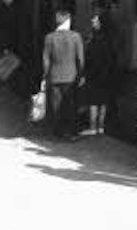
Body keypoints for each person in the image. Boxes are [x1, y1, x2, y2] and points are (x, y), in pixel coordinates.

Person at [40, 10, 84, 141]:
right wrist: (81, 74)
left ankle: (57, 133)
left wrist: (45, 76)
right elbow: (80, 58)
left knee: (55, 105)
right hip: (71, 76)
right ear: (68, 21)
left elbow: (46, 59)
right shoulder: (76, 37)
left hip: (54, 76)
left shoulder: (49, 37)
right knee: (71, 105)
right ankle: (71, 132)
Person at [82, 12, 119, 136]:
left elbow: (89, 57)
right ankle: (101, 126)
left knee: (93, 101)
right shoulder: (110, 40)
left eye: (95, 20)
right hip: (107, 75)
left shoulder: (94, 40)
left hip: (94, 74)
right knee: (103, 102)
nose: (92, 21)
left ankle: (92, 126)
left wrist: (85, 73)